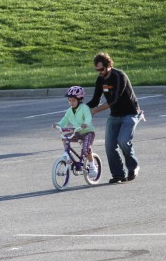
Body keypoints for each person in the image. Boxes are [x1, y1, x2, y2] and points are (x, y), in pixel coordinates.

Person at [86, 52, 143, 184]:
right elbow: (95, 100)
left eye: (101, 69)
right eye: (97, 70)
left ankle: (133, 167)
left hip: (130, 113)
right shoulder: (100, 79)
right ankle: (118, 175)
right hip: (115, 115)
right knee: (110, 146)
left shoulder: (119, 76)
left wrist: (95, 111)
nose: (99, 72)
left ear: (108, 65)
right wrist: (80, 107)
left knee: (123, 141)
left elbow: (114, 100)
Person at [52, 86, 98, 177]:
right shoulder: (69, 111)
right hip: (78, 132)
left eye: (73, 100)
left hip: (88, 131)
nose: (71, 102)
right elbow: (64, 120)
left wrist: (85, 123)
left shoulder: (84, 108)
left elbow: (88, 117)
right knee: (65, 138)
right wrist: (58, 125)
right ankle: (68, 158)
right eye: (69, 100)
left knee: (86, 148)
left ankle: (92, 166)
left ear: (79, 100)